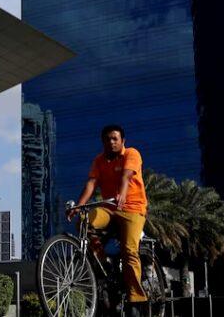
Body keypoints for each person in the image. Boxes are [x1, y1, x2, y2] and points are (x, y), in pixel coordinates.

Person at [69, 124, 148, 316]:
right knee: (84, 222)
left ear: (122, 141)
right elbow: (91, 184)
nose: (111, 142)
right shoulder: (99, 161)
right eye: (107, 139)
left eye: (114, 139)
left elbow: (126, 176)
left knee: (129, 251)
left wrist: (122, 194)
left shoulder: (132, 153)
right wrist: (78, 206)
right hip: (109, 209)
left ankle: (136, 299)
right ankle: (103, 260)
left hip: (132, 209)